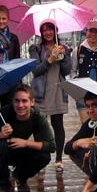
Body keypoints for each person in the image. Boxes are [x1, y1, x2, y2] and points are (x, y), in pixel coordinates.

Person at [0, 84, 55, 192]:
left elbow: (52, 146)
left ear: (32, 102)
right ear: (13, 102)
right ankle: (2, 186)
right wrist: (1, 134)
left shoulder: (37, 117)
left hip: (22, 149)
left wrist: (26, 143)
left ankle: (20, 176)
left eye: (24, 101)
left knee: (44, 156)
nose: (20, 105)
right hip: (0, 152)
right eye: (17, 101)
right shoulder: (5, 112)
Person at [29, 19, 71, 172]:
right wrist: (50, 59)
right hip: (41, 91)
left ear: (55, 31)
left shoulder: (63, 47)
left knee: (58, 124)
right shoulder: (35, 48)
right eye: (44, 30)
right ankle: (41, 158)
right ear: (41, 32)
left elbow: (66, 71)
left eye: (50, 29)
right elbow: (36, 70)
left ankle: (59, 159)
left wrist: (63, 56)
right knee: (39, 125)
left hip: (58, 90)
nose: (48, 33)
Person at [71, 21, 97, 123]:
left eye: (96, 32)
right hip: (83, 93)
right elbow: (73, 70)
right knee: (86, 124)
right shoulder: (78, 50)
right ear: (86, 32)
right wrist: (76, 81)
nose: (93, 34)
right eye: (90, 31)